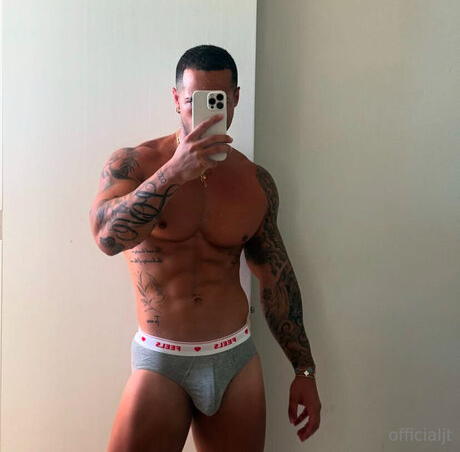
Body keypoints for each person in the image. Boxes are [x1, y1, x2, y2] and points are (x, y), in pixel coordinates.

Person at [89, 45, 321, 452]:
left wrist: (304, 369)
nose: (208, 112)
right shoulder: (135, 164)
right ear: (176, 98)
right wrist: (172, 174)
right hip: (162, 361)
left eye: (219, 99)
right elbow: (106, 237)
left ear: (235, 98)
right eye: (194, 100)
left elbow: (276, 278)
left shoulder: (254, 181)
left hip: (235, 359)